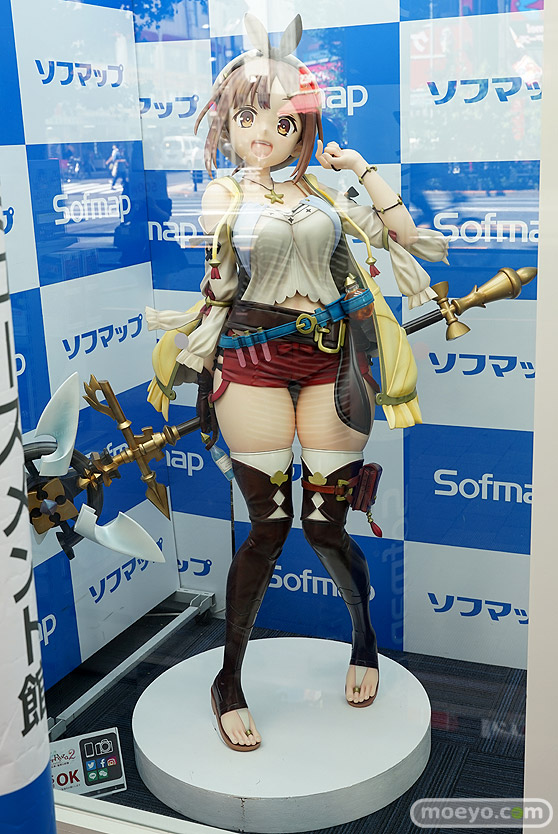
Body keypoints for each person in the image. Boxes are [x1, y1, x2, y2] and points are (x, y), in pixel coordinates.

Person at [146, 14, 449, 752]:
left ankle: (364, 637)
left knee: (326, 526)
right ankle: (229, 679)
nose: (264, 133)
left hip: (332, 361)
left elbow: (407, 238)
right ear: (227, 123)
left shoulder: (325, 196)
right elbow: (222, 246)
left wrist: (360, 170)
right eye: (247, 117)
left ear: (302, 127)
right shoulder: (224, 193)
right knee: (268, 526)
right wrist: (248, 196)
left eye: (281, 120)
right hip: (252, 357)